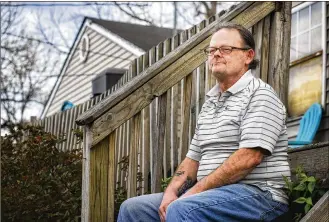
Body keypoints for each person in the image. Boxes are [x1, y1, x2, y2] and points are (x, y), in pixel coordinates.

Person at [118, 22, 291, 222]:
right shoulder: (210, 103)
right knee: (133, 209)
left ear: (248, 56)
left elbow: (248, 158)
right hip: (213, 195)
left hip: (260, 196)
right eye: (212, 50)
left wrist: (192, 193)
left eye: (226, 49)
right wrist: (171, 193)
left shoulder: (260, 95)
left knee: (183, 209)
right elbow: (193, 158)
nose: (216, 54)